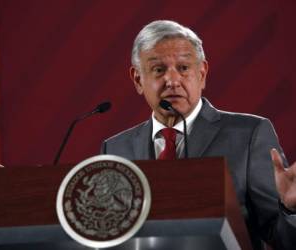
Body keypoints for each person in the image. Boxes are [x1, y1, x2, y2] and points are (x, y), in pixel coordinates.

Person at [100, 20, 296, 249]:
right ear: (137, 79)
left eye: (183, 68)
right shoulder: (115, 149)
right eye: (158, 69)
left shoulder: (249, 135)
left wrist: (290, 210)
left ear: (202, 73)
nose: (172, 81)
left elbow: (282, 238)